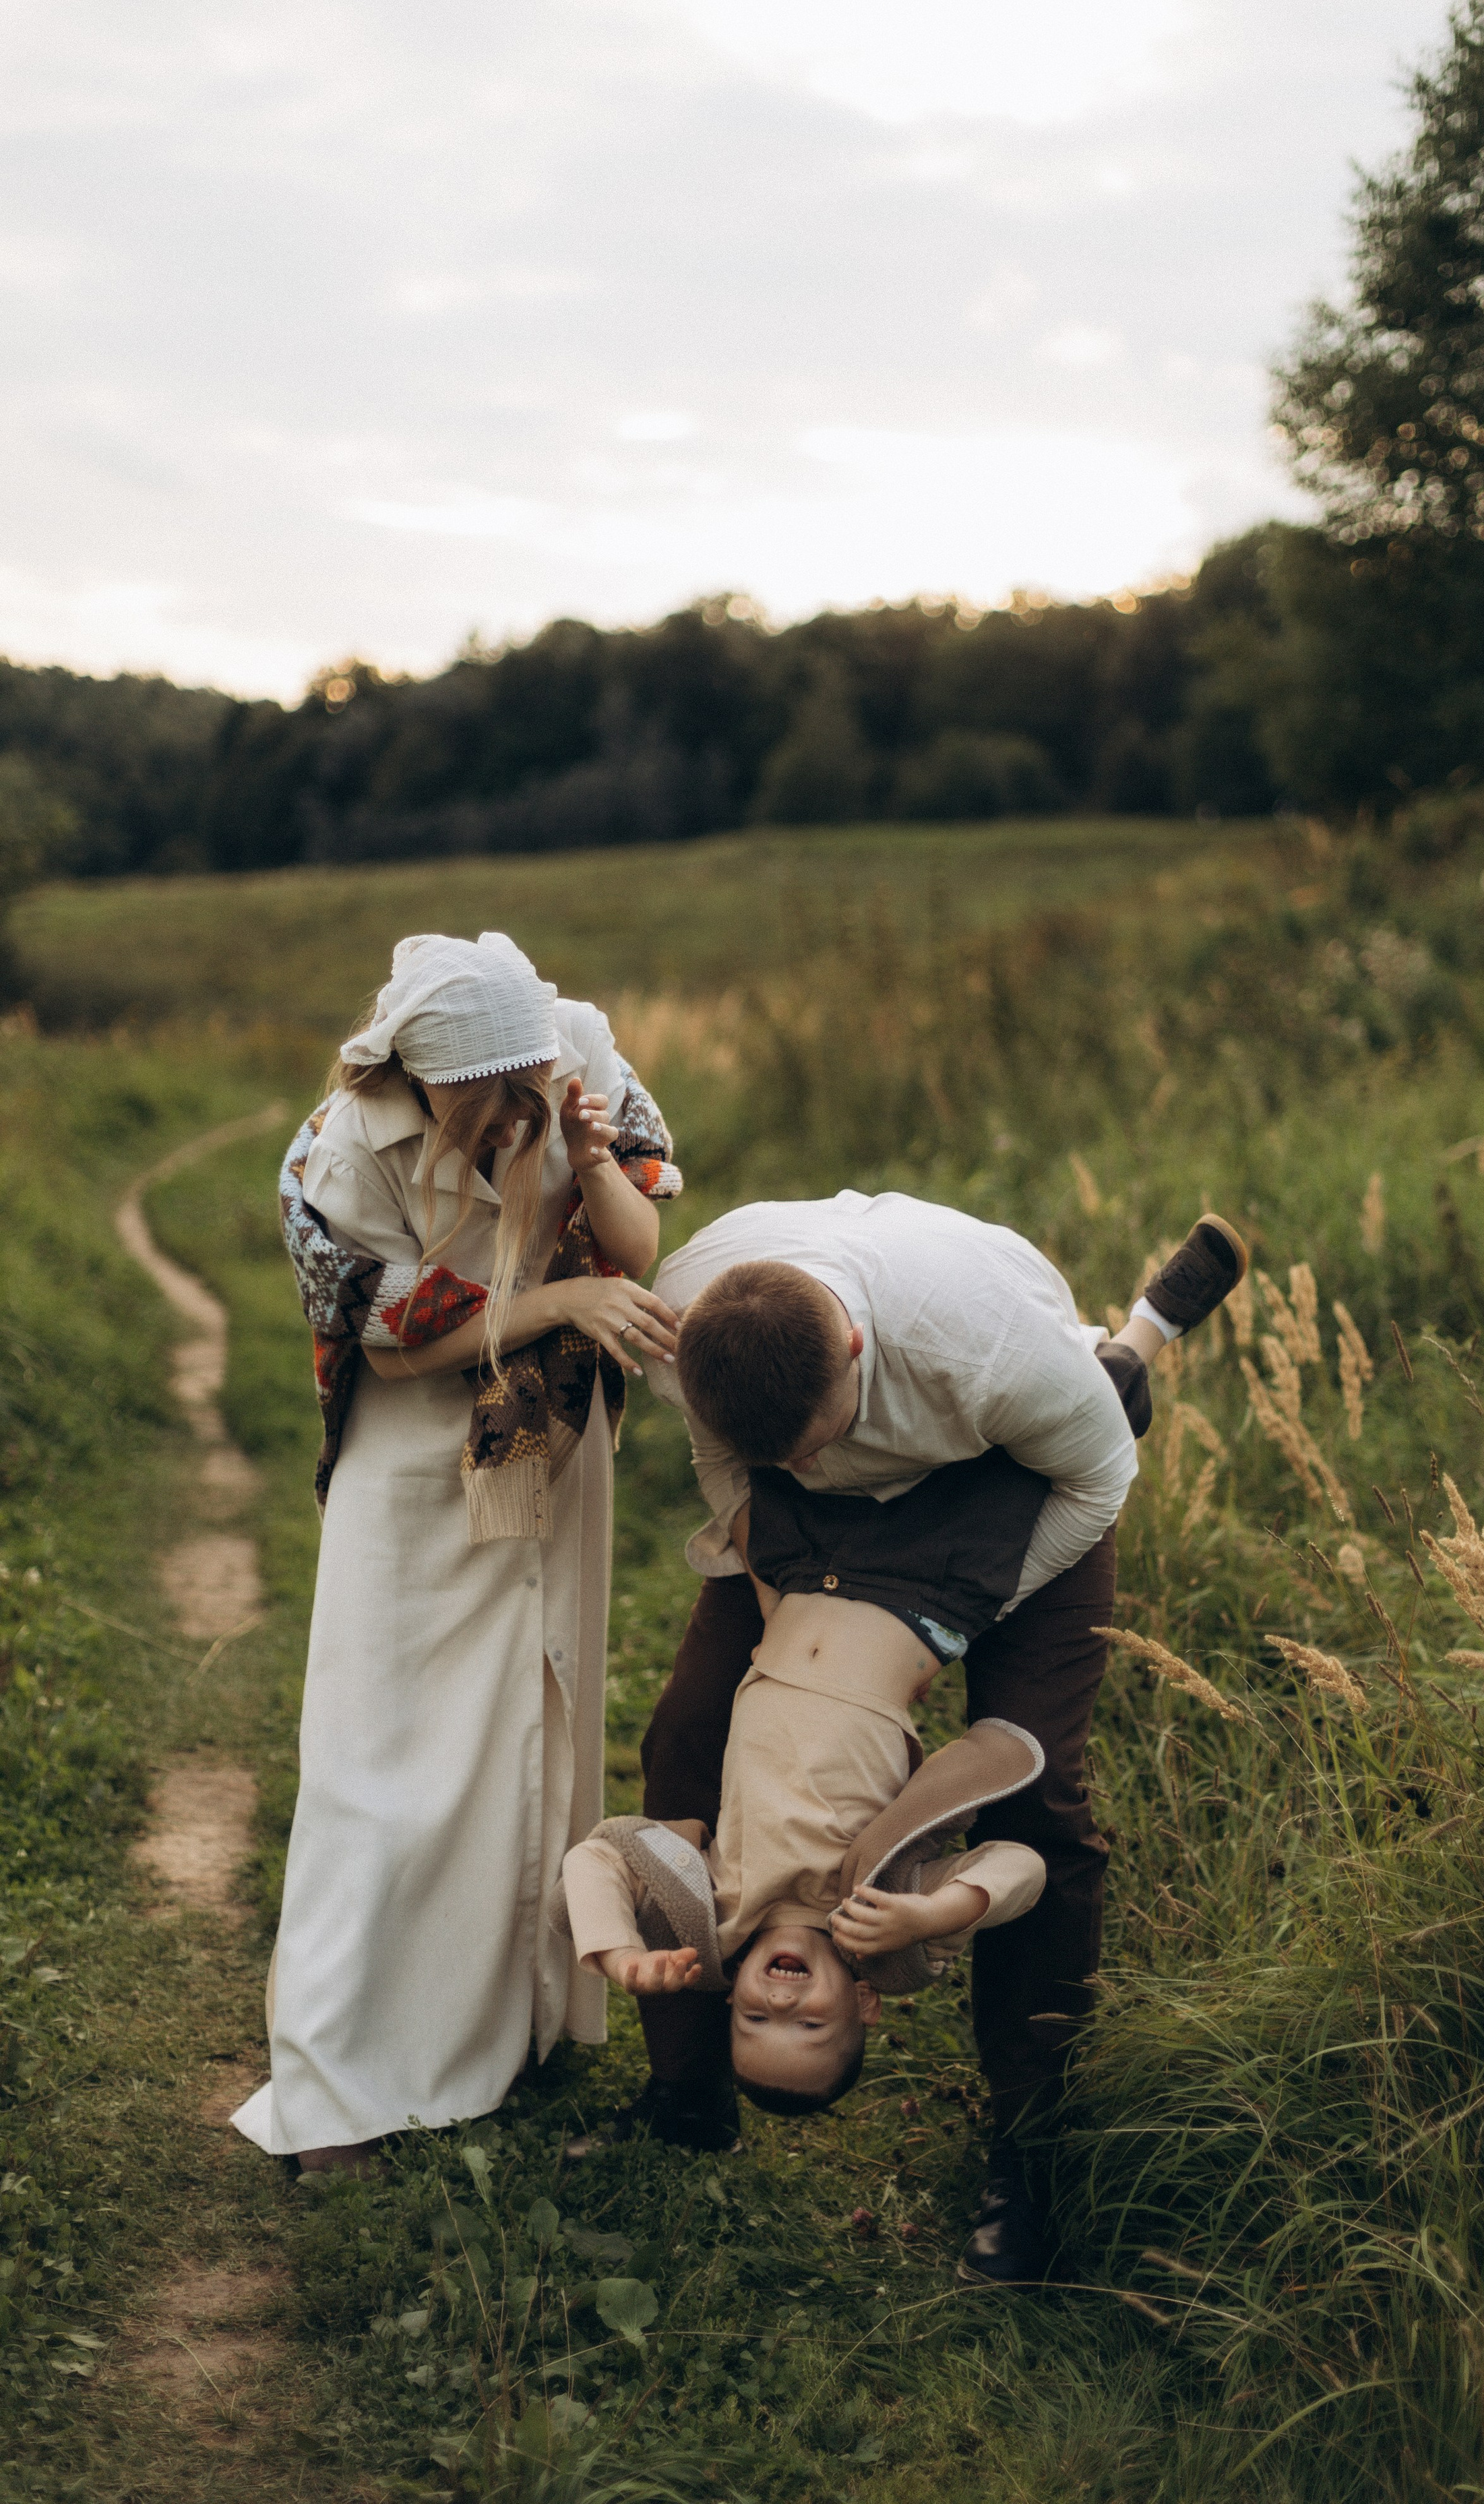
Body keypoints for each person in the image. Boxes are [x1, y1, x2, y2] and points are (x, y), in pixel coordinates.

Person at [622, 1192, 1247, 2282]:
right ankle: (689, 2090)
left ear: (854, 1352)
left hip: (1015, 1481)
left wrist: (950, 1617)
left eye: (825, 1443)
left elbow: (1100, 1480)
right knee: (685, 1736)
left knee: (1033, 1797)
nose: (812, 1464)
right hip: (810, 1533)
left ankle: (1029, 2153)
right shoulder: (691, 1327)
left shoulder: (983, 1353)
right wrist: (775, 1586)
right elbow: (734, 1469)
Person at [230, 932, 682, 2172]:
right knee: (377, 1761)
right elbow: (386, 1343)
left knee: (525, 1733)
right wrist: (555, 1301)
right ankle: (336, 2078)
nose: (508, 1124)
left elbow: (635, 1254)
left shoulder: (571, 1058)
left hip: (543, 1436)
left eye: (523, 1097)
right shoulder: (340, 1149)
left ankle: (502, 2035)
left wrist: (589, 1169)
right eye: (482, 1109)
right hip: (413, 1462)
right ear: (425, 1085)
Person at [561, 1446, 1061, 2116]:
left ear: (732, 1996)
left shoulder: (716, 1910)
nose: (780, 2004)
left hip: (803, 1568)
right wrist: (935, 1912)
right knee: (999, 1452)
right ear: (863, 2002)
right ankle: (1127, 1354)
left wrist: (622, 1956)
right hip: (924, 1586)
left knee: (796, 1425)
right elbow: (1020, 1867)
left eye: (755, 2021)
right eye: (810, 2024)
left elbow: (593, 1858)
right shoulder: (887, 1927)